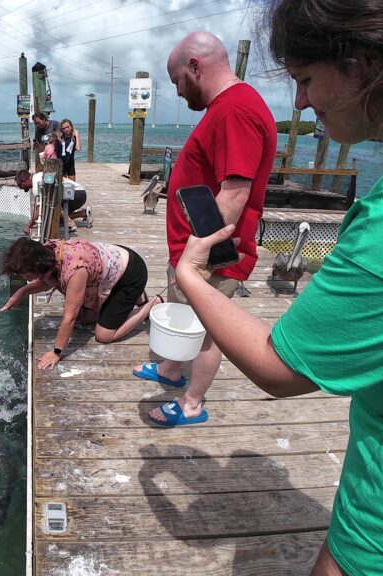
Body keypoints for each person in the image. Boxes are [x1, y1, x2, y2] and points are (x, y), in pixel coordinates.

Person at [173, 1, 383, 573]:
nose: (301, 103)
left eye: (306, 80)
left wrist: (190, 277)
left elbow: (280, 366)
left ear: (363, 64)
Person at [132, 31, 276, 427]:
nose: (178, 92)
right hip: (192, 252)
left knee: (209, 329)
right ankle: (171, 371)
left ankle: (193, 403)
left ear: (196, 67)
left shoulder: (235, 110)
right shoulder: (226, 107)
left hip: (211, 258)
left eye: (178, 80)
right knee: (185, 317)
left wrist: (200, 262)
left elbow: (235, 191)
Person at [0, 237, 161, 369]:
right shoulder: (47, 254)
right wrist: (21, 292)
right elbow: (46, 281)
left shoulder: (75, 270)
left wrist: (57, 352)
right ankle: (132, 297)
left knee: (104, 335)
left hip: (130, 274)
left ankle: (151, 304)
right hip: (114, 261)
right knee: (87, 319)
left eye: (27, 274)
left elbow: (69, 317)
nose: (27, 279)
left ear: (37, 266)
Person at [15, 162, 92, 236]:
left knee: (53, 210)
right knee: (54, 217)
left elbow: (39, 209)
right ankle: (83, 213)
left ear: (25, 181)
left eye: (20, 185)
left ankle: (70, 224)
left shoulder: (36, 185)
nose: (20, 188)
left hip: (75, 193)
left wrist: (28, 226)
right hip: (80, 193)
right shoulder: (38, 175)